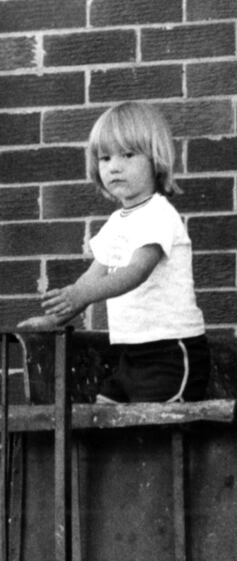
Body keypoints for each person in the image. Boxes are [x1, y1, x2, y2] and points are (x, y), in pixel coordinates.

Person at [18, 101, 209, 404]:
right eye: (105, 158)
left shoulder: (159, 213)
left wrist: (82, 295)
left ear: (155, 159)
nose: (114, 166)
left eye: (128, 155)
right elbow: (90, 279)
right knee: (102, 413)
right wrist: (55, 319)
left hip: (170, 352)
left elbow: (137, 271)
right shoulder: (116, 223)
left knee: (152, 424)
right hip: (131, 354)